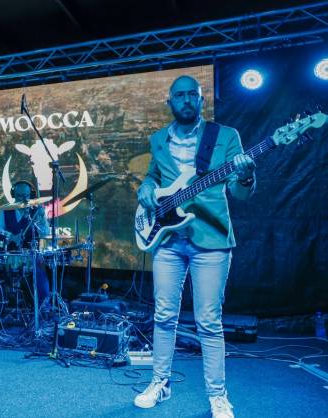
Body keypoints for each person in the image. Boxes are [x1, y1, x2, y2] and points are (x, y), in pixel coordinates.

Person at [135, 75, 255, 418]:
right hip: (168, 239)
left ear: (202, 100)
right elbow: (155, 176)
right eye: (180, 95)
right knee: (163, 316)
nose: (186, 100)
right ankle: (160, 382)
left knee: (209, 322)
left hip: (211, 239)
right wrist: (146, 186)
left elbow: (240, 192)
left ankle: (218, 396)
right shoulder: (158, 139)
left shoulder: (225, 136)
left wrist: (245, 175)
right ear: (170, 101)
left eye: (193, 94)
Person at [0, 180, 51, 307]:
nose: (23, 199)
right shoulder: (6, 210)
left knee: (41, 280)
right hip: (11, 254)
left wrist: (42, 218)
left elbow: (45, 232)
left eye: (26, 196)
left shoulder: (37, 210)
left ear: (31, 195)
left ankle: (41, 306)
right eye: (19, 195)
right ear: (13, 195)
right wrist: (11, 237)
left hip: (32, 254)